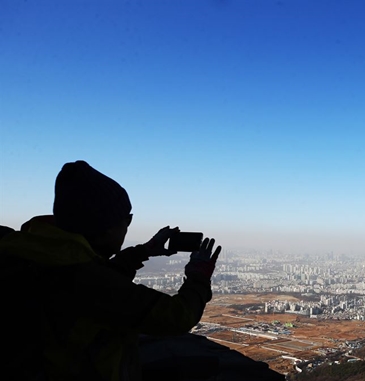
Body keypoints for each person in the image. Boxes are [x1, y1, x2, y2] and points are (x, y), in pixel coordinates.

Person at [0, 160, 221, 380]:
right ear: (105, 228)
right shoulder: (84, 280)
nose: (127, 227)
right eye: (127, 220)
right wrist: (198, 276)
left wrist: (143, 251)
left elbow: (97, 277)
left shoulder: (40, 254)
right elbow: (178, 317)